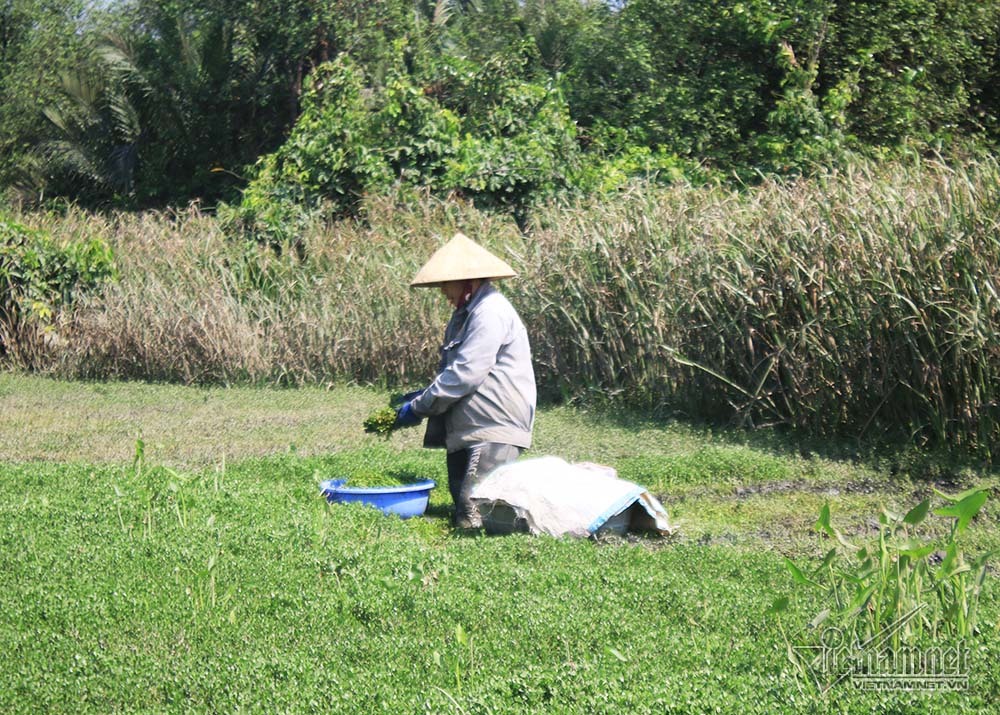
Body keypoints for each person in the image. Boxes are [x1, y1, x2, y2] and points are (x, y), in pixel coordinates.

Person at [394, 232, 536, 529]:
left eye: (446, 283)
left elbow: (466, 374)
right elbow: (457, 369)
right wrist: (423, 394)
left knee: (475, 515)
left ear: (467, 281)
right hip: (469, 428)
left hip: (494, 427)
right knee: (463, 503)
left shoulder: (490, 312)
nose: (443, 291)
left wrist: (418, 408)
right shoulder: (466, 314)